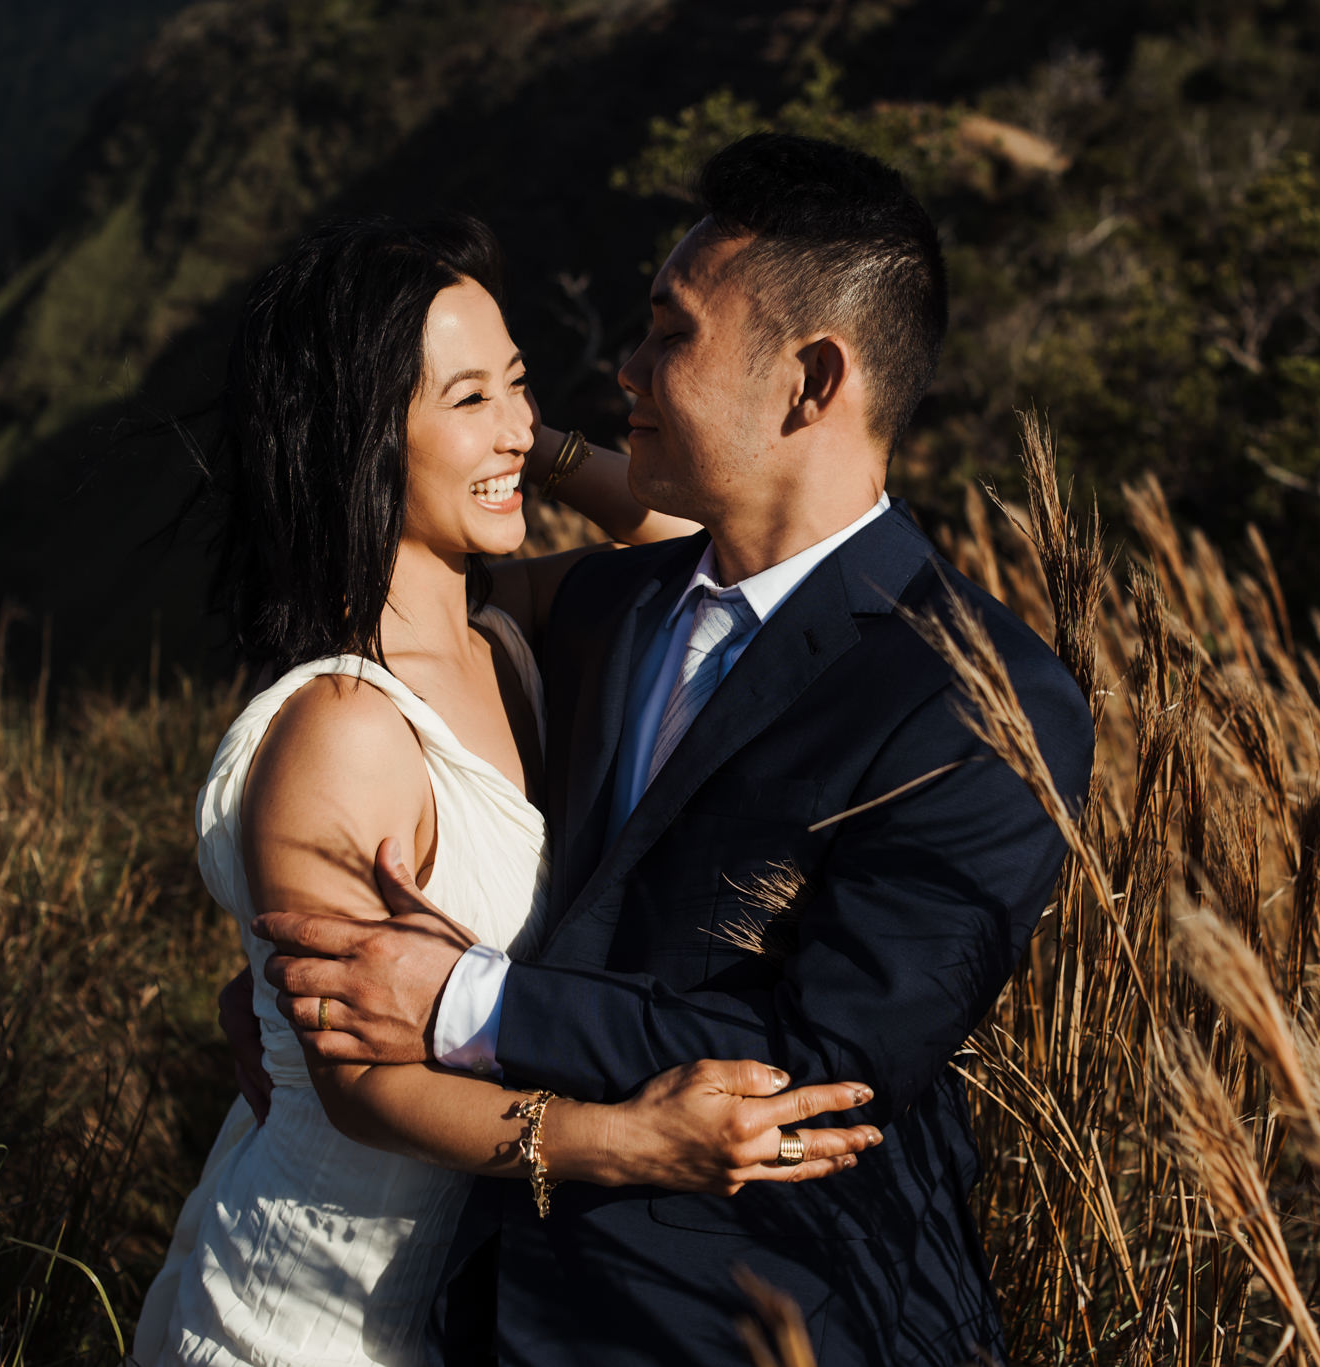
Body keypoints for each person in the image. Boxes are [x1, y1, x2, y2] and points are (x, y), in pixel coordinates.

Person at [249, 134, 1096, 1365]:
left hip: (761, 1314)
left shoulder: (978, 696)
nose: (625, 365)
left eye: (668, 332)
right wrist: (274, 949)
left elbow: (826, 1063)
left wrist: (460, 1001)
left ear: (809, 382)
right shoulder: (608, 609)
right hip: (489, 1304)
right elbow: (391, 640)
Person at [132, 214, 884, 1367]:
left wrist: (518, 446)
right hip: (298, 1313)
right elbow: (359, 1087)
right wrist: (631, 1141)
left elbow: (682, 530)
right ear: (362, 442)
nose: (521, 423)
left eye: (520, 386)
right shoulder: (346, 726)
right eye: (468, 396)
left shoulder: (512, 636)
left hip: (445, 1306)